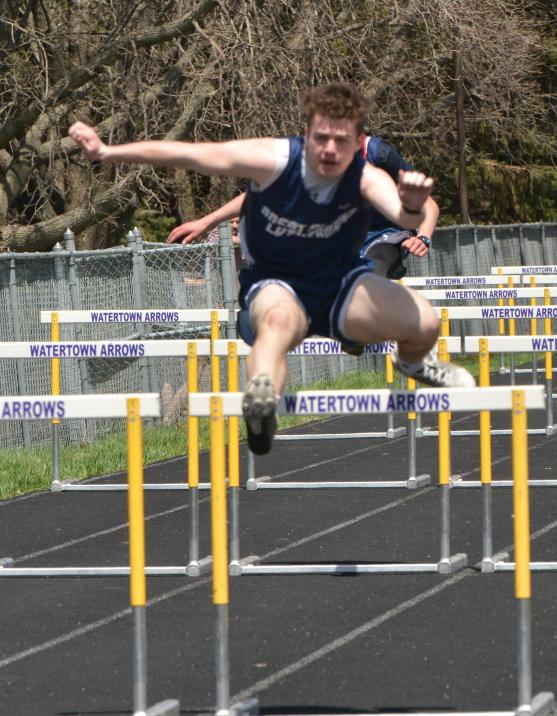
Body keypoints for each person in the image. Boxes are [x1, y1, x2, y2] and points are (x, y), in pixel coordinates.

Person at [69, 83, 475, 456]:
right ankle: (261, 405)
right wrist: (107, 152)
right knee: (278, 323)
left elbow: (402, 217)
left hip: (340, 284)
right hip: (276, 283)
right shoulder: (273, 159)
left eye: (341, 141)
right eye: (321, 139)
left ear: (358, 141)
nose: (330, 150)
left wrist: (409, 203)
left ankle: (413, 363)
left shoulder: (366, 175)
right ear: (306, 134)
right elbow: (189, 154)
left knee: (425, 321)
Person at [168, 134, 439, 280]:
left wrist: (424, 237)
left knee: (367, 263)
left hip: (387, 229)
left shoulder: (379, 154)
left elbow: (430, 205)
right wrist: (207, 221)